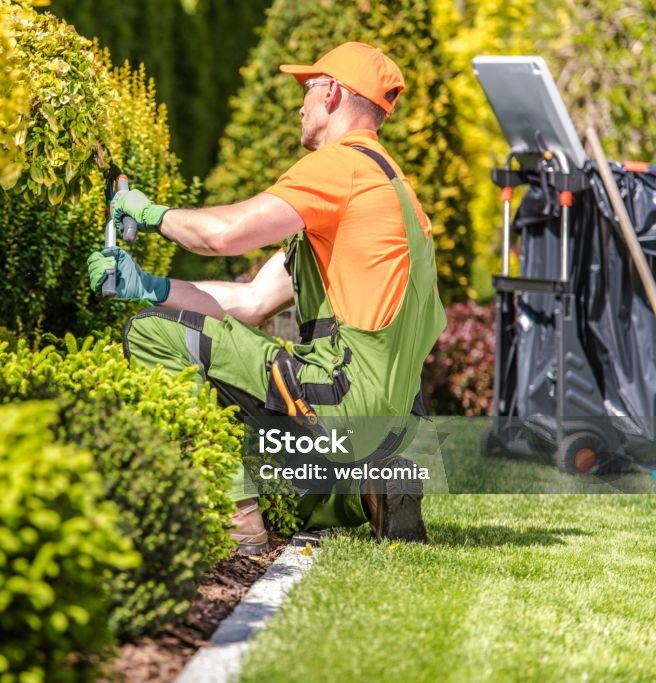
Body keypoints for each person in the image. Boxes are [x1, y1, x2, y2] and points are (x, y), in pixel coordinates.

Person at [86, 42, 446, 552]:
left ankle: (237, 520)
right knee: (279, 476)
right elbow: (253, 301)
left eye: (307, 89)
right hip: (390, 426)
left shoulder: (340, 167)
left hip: (341, 400)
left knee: (149, 333)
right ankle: (369, 486)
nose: (299, 104)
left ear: (333, 94)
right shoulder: (392, 191)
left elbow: (222, 235)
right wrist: (148, 286)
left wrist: (150, 213)